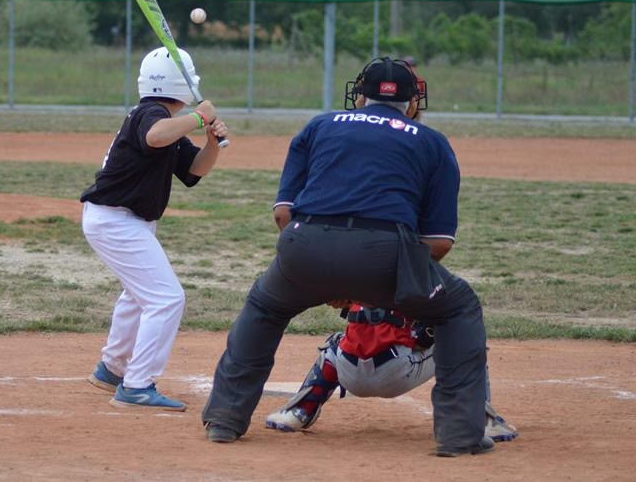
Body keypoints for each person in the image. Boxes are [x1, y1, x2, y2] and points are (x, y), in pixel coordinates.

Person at [202, 56, 494, 457]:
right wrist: (371, 283)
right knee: (458, 307)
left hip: (304, 246)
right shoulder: (430, 141)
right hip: (384, 253)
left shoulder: (320, 125)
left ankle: (224, 420)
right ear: (412, 103)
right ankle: (460, 434)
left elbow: (284, 214)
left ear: (358, 97)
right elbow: (439, 241)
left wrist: (325, 277)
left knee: (265, 307)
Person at [81, 46, 228, 412]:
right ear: (184, 84)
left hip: (124, 221)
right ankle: (136, 385)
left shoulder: (164, 120)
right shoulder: (150, 114)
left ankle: (112, 369)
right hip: (116, 221)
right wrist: (198, 118)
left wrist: (211, 140)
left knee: (138, 296)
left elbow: (194, 170)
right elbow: (155, 136)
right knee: (166, 299)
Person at [263, 304, 518, 444]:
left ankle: (298, 412)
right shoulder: (415, 277)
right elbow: (425, 336)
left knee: (334, 345)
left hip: (348, 372)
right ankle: (484, 421)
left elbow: (335, 300)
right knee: (467, 345)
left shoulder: (357, 274)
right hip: (396, 372)